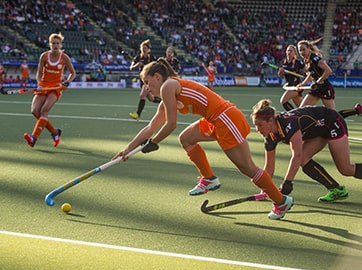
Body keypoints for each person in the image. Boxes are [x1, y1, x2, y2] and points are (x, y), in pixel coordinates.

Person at [113, 58, 293, 220]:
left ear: (158, 76)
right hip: (213, 120)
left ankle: (281, 201)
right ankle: (209, 179)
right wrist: (127, 150)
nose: (146, 87)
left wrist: (154, 143)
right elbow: (150, 127)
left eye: (147, 81)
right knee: (186, 139)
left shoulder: (168, 86)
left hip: (225, 117)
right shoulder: (166, 97)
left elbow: (171, 124)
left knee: (247, 168)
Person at [251, 99, 362, 202]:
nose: (257, 129)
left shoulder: (288, 125)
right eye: (255, 126)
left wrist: (287, 182)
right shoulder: (269, 137)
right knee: (304, 159)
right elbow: (269, 167)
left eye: (260, 125)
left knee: (346, 169)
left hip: (331, 122)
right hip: (317, 131)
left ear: (270, 120)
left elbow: (296, 155)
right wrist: (265, 189)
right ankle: (337, 190)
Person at [23, 32, 76, 147]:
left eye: (57, 43)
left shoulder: (64, 57)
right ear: (50, 44)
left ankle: (33, 138)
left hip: (56, 87)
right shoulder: (44, 56)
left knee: (44, 110)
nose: (55, 45)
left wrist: (67, 82)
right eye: (53, 43)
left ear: (60, 44)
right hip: (44, 85)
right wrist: (39, 84)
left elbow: (73, 73)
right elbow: (39, 72)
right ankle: (54, 132)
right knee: (35, 111)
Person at [297, 38, 336, 109]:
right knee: (302, 109)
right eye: (300, 50)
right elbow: (310, 74)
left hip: (324, 88)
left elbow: (328, 70)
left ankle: (356, 110)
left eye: (304, 49)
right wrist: (303, 84)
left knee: (333, 115)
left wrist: (318, 82)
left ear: (309, 49)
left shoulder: (315, 59)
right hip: (316, 88)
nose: (302, 52)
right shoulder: (306, 60)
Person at [129, 39, 160, 121]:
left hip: (149, 80)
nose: (144, 49)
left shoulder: (152, 58)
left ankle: (137, 114)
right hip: (142, 80)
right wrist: (137, 65)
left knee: (142, 95)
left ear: (148, 49)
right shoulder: (138, 58)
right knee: (151, 99)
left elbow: (157, 67)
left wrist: (148, 67)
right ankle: (166, 102)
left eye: (145, 48)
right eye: (142, 48)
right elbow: (131, 68)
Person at [278, 45, 306, 111]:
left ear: (294, 53)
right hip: (289, 85)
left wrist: (304, 81)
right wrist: (280, 72)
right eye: (288, 50)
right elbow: (281, 76)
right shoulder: (283, 62)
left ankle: (292, 115)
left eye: (291, 51)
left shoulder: (297, 62)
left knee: (283, 101)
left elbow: (308, 72)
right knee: (302, 108)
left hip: (296, 86)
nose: (289, 52)